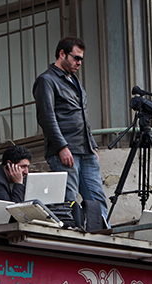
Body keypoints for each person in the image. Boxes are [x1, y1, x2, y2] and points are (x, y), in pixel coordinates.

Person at [32, 36, 108, 219]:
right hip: (65, 151)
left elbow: (82, 116)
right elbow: (46, 117)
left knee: (97, 198)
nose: (79, 62)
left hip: (86, 150)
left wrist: (93, 146)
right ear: (62, 54)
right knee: (69, 200)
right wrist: (62, 147)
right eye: (76, 58)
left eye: (81, 59)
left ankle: (102, 234)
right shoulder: (46, 80)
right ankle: (71, 240)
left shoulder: (75, 81)